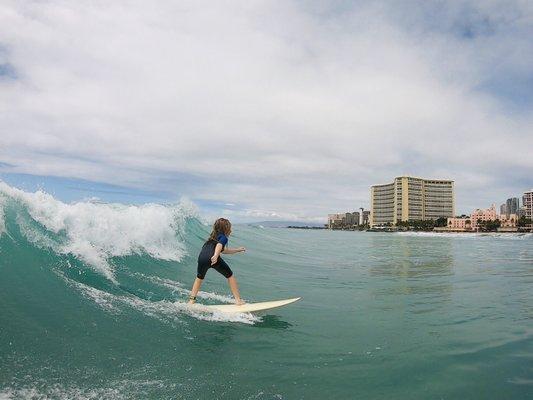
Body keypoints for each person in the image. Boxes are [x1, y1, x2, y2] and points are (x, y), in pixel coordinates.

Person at [188, 218, 246, 305]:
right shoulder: (223, 237)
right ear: (226, 229)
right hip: (213, 257)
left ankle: (191, 301)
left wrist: (237, 250)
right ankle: (238, 300)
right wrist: (215, 255)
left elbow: (224, 250)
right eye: (230, 228)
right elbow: (219, 246)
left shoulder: (212, 238)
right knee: (230, 276)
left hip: (202, 257)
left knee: (199, 278)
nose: (231, 230)